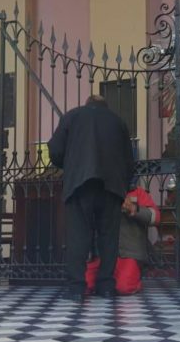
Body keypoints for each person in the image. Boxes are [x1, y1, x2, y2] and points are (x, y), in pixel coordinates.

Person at [48, 95, 134, 303]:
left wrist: (70, 163)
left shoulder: (72, 117)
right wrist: (123, 185)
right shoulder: (118, 121)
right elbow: (129, 160)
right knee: (109, 238)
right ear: (105, 106)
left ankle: (76, 287)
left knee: (78, 236)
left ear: (87, 104)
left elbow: (55, 151)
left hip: (80, 183)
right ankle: (106, 286)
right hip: (111, 185)